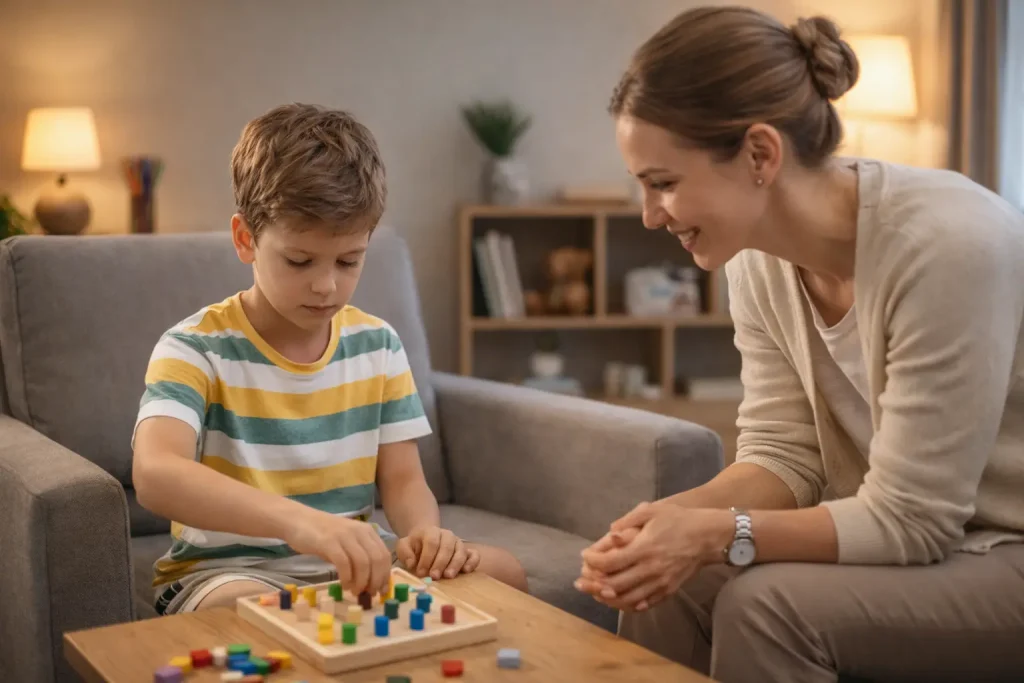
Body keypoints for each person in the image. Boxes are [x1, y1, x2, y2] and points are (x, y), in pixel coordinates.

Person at [574, 5, 1024, 682]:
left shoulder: (948, 246)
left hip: (1004, 543)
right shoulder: (755, 258)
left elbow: (913, 520)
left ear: (761, 154)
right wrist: (663, 524)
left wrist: (717, 531)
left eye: (663, 183)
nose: (649, 215)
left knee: (766, 607)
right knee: (662, 583)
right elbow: (784, 454)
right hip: (926, 538)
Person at [132, 103, 527, 616]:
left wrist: (425, 536)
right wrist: (300, 523)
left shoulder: (378, 345)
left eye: (348, 261)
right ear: (246, 239)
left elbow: (404, 481)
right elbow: (156, 472)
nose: (326, 285)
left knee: (504, 573)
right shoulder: (194, 348)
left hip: (354, 569)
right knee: (245, 610)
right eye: (299, 261)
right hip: (230, 574)